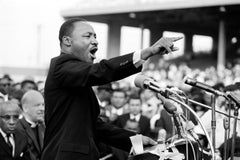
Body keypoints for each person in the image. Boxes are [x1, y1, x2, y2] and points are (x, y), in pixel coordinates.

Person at [41, 18, 182, 160]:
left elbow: (97, 128)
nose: (95, 41)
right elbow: (102, 70)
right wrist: (147, 52)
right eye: (87, 36)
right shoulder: (61, 66)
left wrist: (135, 140)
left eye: (95, 36)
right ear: (67, 41)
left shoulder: (76, 80)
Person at [17, 90, 45, 160]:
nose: (42, 109)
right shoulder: (18, 129)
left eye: (43, 105)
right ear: (25, 108)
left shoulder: (43, 126)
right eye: (37, 105)